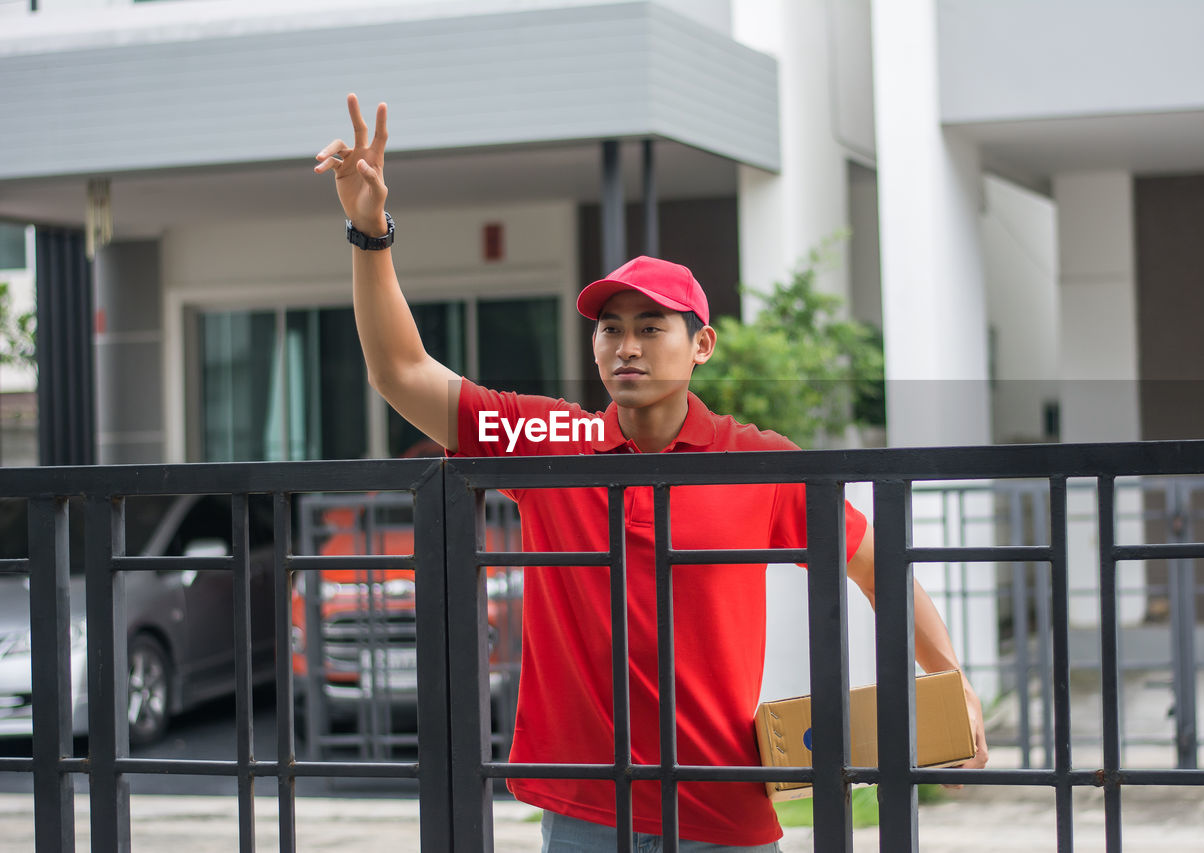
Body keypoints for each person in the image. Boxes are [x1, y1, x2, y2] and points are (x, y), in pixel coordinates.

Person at [315, 94, 988, 851]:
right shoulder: (548, 440)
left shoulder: (757, 460)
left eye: (650, 326)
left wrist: (949, 678)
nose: (626, 345)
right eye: (611, 328)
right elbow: (400, 371)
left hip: (722, 812)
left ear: (700, 345)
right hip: (585, 815)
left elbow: (874, 563)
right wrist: (370, 234)